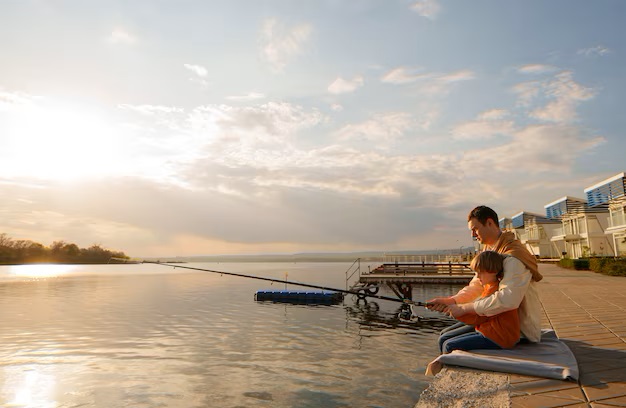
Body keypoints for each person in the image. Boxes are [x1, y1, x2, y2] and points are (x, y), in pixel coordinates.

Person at [428, 205, 543, 345]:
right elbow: (477, 285)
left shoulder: (513, 256)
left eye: (475, 229)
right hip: (493, 319)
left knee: (446, 341)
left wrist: (463, 308)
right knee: (444, 334)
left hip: (518, 330)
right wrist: (450, 301)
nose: (472, 235)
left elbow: (508, 299)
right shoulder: (489, 250)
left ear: (489, 223)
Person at [439, 251, 519, 353]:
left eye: (480, 272)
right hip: (491, 332)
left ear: (493, 271)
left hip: (499, 338)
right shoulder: (489, 286)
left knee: (449, 345)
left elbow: (479, 318)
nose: (477, 277)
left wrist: (458, 312)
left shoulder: (495, 291)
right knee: (445, 339)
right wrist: (454, 309)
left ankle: (446, 365)